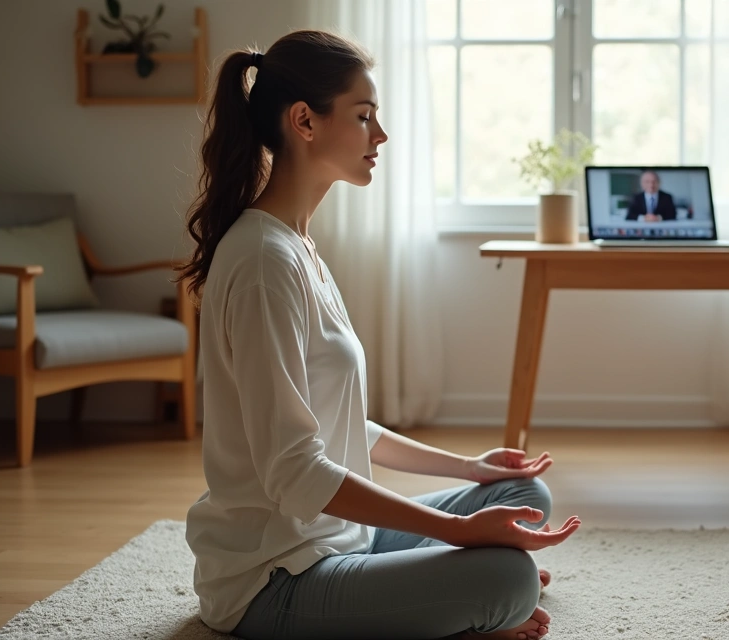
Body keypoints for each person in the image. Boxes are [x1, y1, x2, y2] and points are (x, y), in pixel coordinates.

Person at [177, 30, 581, 640]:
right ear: (304, 122)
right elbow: (294, 472)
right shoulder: (264, 263)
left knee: (521, 493)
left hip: (341, 541)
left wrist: (471, 470)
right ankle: (463, 604)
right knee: (508, 581)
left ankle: (446, 592)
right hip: (275, 579)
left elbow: (343, 424)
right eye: (364, 117)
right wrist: (461, 536)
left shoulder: (298, 245)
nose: (380, 136)